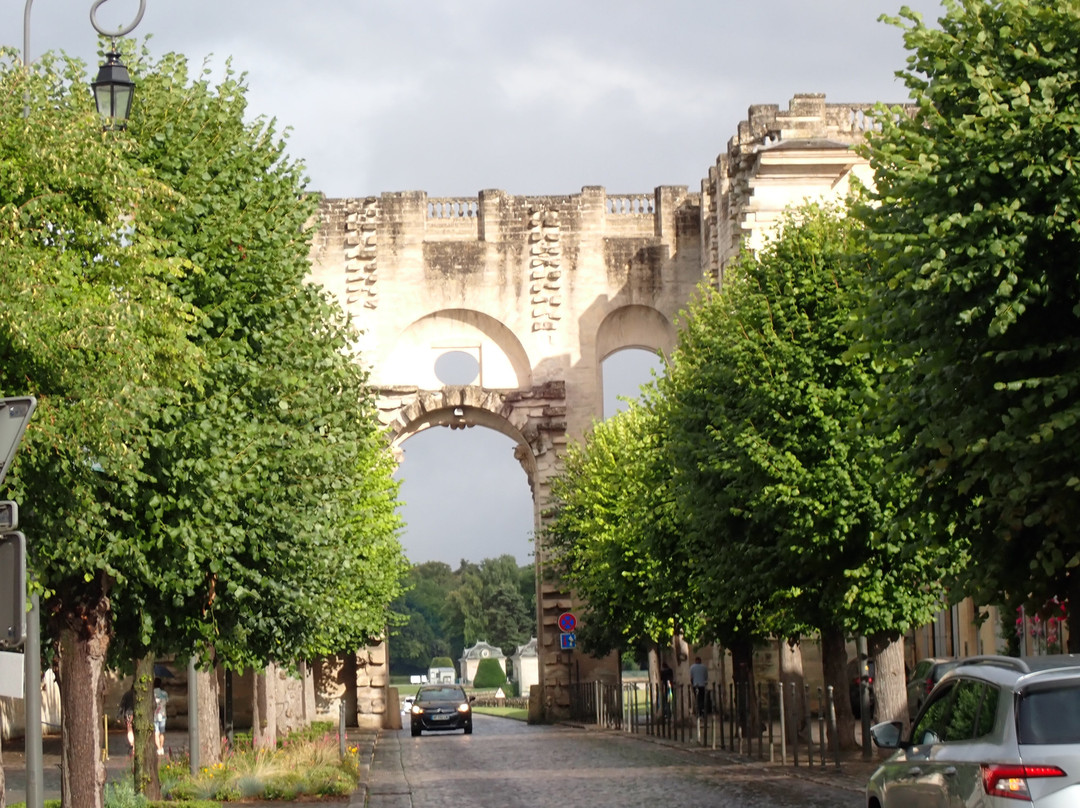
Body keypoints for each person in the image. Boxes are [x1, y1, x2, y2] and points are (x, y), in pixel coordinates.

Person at [153, 678, 169, 756]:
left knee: (156, 733)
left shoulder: (152, 694)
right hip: (163, 715)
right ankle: (161, 747)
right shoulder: (164, 693)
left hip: (155, 716)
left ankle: (158, 748)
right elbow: (167, 702)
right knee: (162, 733)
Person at [117, 687, 134, 753]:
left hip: (128, 714)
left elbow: (122, 705)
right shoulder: (139, 694)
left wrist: (119, 715)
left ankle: (132, 744)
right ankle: (135, 745)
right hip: (137, 714)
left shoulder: (127, 694)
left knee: (129, 730)